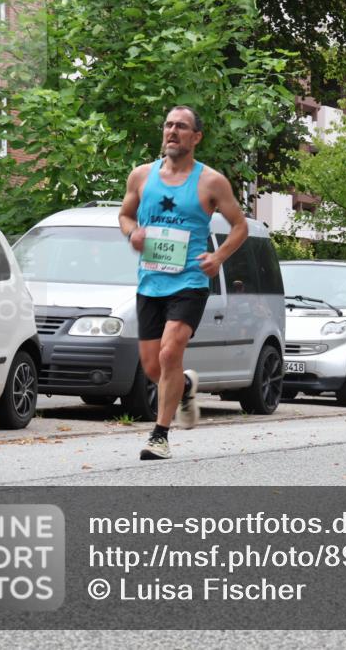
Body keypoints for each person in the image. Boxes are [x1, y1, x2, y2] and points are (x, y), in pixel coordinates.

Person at [119, 105, 248, 460]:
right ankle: (185, 385)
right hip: (150, 281)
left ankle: (159, 436)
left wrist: (218, 257)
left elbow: (240, 225)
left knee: (170, 351)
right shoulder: (142, 176)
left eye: (181, 127)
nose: (172, 131)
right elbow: (125, 215)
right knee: (152, 367)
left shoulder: (211, 182)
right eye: (168, 125)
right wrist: (133, 234)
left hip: (190, 280)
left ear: (196, 137)